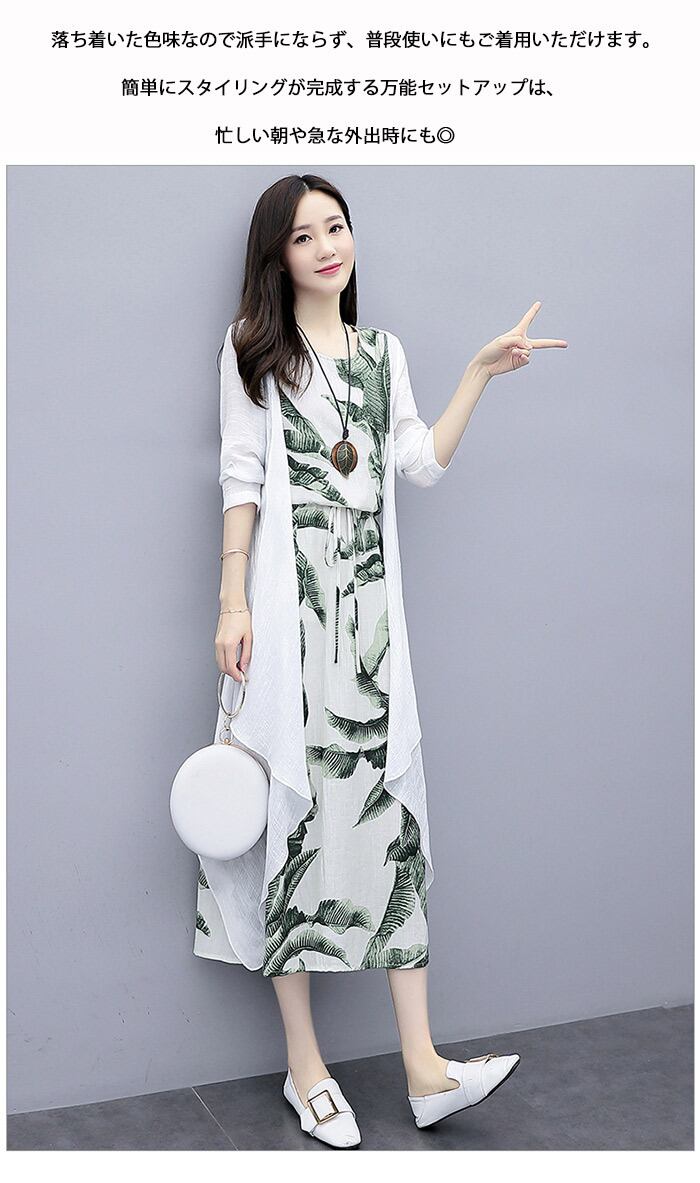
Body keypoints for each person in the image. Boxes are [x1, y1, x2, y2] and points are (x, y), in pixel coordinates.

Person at [198, 173, 568, 1147]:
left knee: (391, 826)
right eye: (304, 234)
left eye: (337, 226)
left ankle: (423, 1068)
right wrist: (233, 603)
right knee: (290, 830)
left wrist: (478, 373)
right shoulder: (253, 350)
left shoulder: (382, 355)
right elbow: (241, 477)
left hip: (369, 638)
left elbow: (419, 462)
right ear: (277, 255)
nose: (327, 245)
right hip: (288, 630)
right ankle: (306, 1069)